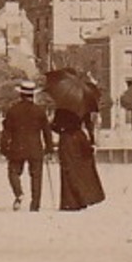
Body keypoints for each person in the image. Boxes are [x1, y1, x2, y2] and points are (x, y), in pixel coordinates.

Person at [48, 69, 106, 211]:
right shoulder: (83, 104)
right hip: (80, 138)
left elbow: (55, 127)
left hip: (67, 138)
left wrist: (50, 124)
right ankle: (84, 199)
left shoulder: (61, 109)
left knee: (68, 169)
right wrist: (92, 141)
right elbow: (89, 124)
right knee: (81, 169)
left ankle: (70, 202)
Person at [1, 82, 55, 212]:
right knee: (36, 176)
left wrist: (4, 148)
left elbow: (6, 131)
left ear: (20, 94)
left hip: (17, 147)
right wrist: (49, 148)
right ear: (32, 95)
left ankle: (19, 193)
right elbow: (46, 131)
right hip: (35, 147)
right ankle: (35, 205)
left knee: (13, 172)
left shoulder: (13, 110)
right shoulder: (39, 111)